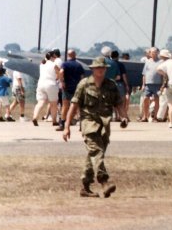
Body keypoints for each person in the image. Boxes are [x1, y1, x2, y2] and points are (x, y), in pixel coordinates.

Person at [62, 56, 119, 198]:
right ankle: (104, 181)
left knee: (93, 155)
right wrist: (66, 126)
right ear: (93, 70)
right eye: (97, 68)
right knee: (96, 151)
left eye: (103, 68)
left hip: (104, 124)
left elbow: (118, 103)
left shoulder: (111, 85)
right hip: (89, 123)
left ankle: (85, 187)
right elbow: (73, 106)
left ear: (106, 69)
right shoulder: (84, 84)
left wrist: (124, 116)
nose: (100, 70)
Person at [58, 50, 86, 131]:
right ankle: (81, 125)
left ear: (68, 55)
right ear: (75, 55)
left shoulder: (65, 64)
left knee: (65, 106)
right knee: (79, 106)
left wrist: (62, 81)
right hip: (77, 88)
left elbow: (61, 72)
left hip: (67, 88)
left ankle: (62, 124)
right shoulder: (79, 65)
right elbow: (82, 76)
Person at [32, 51, 61, 127]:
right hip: (51, 84)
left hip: (41, 84)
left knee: (40, 102)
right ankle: (54, 121)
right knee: (53, 103)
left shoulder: (42, 64)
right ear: (52, 57)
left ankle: (35, 117)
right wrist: (58, 78)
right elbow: (59, 73)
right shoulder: (54, 64)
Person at [140, 47, 163, 122]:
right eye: (152, 52)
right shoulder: (147, 61)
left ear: (158, 53)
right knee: (145, 99)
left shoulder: (161, 62)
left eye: (155, 52)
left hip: (157, 84)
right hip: (148, 84)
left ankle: (155, 117)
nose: (153, 53)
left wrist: (162, 85)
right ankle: (145, 116)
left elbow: (163, 74)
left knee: (157, 100)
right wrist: (143, 84)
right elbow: (144, 74)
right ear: (150, 53)